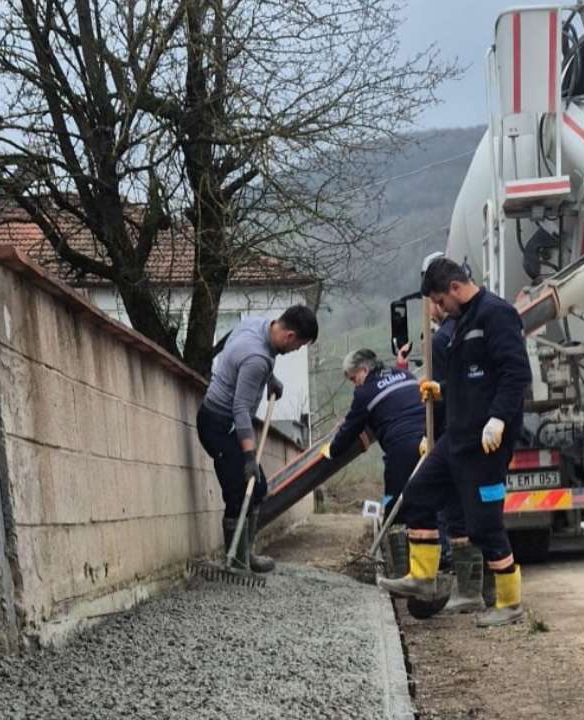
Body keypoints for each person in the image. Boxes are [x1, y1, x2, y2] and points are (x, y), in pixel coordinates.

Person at [378, 257, 533, 627]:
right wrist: (441, 390)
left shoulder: (497, 315)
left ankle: (509, 602)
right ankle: (422, 576)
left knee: (483, 524)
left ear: (454, 288)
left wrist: (499, 418)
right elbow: (471, 380)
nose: (439, 309)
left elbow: (515, 373)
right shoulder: (463, 322)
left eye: (439, 301)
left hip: (487, 441)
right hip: (457, 435)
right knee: (417, 494)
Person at [197, 305, 319, 573]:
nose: (296, 350)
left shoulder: (257, 325)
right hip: (218, 424)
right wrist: (250, 457)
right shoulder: (257, 359)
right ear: (289, 336)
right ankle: (236, 562)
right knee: (238, 490)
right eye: (298, 345)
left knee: (259, 488)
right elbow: (240, 409)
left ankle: (245, 554)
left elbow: (236, 347)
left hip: (228, 423)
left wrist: (269, 378)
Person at [322, 349, 425, 516]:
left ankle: (394, 528)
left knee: (394, 506)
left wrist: (332, 451)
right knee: (428, 499)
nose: (355, 385)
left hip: (402, 447)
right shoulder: (406, 375)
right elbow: (397, 402)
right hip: (431, 439)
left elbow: (349, 429)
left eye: (353, 379)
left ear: (364, 370)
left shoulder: (364, 393)